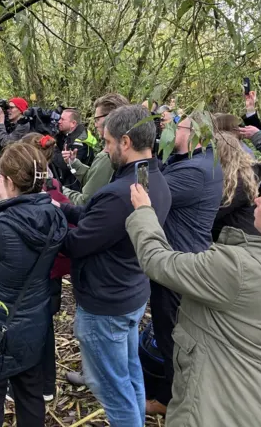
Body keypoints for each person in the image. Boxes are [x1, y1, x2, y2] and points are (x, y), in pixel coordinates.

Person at [127, 169, 261, 427]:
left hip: (222, 412)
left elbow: (159, 262)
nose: (256, 200)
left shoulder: (240, 269)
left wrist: (144, 213)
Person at [57, 105, 172, 427]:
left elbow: (78, 243)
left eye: (107, 142)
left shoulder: (120, 192)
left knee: (111, 388)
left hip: (105, 304)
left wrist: (49, 226)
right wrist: (62, 207)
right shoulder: (152, 180)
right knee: (129, 374)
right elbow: (103, 221)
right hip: (130, 292)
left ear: (125, 141)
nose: (105, 150)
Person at [0, 143, 68, 427]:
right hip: (34, 327)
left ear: (9, 181)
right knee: (30, 395)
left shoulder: (0, 228)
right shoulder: (54, 215)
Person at [146, 113, 223, 417]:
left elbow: (146, 193)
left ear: (197, 134)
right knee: (173, 333)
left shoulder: (195, 170)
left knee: (173, 338)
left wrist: (145, 155)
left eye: (177, 127)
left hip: (179, 263)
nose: (169, 130)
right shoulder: (199, 162)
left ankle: (173, 404)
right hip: (182, 258)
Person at [20, 133, 70, 401]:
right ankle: (45, 384)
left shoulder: (40, 195)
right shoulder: (53, 186)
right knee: (44, 325)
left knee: (35, 327)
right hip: (50, 273)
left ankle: (39, 385)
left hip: (38, 275)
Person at [61, 94, 126, 206]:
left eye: (97, 119)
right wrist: (74, 164)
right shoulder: (122, 150)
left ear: (111, 118)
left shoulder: (110, 156)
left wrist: (58, 190)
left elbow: (85, 202)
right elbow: (94, 179)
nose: (95, 124)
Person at [211, 132, 259, 241]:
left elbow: (215, 211)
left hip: (238, 238)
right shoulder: (242, 175)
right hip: (231, 234)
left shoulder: (238, 182)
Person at [53, 108, 97, 191]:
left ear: (73, 123)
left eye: (62, 119)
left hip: (77, 188)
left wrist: (53, 147)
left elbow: (64, 164)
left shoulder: (79, 142)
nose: (59, 121)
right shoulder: (71, 135)